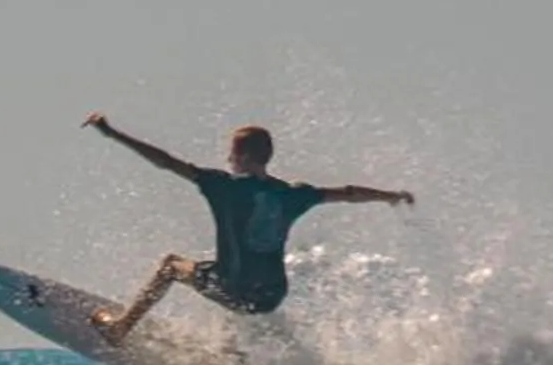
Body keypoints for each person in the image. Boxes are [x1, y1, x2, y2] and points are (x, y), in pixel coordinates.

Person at [83, 113, 414, 343]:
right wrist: (391, 196)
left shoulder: (221, 185)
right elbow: (348, 193)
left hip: (234, 288)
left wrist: (113, 134)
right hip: (272, 295)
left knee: (172, 265)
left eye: (231, 153)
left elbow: (164, 161)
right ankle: (232, 354)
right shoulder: (294, 194)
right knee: (231, 286)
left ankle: (121, 328)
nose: (228, 159)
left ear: (239, 156)